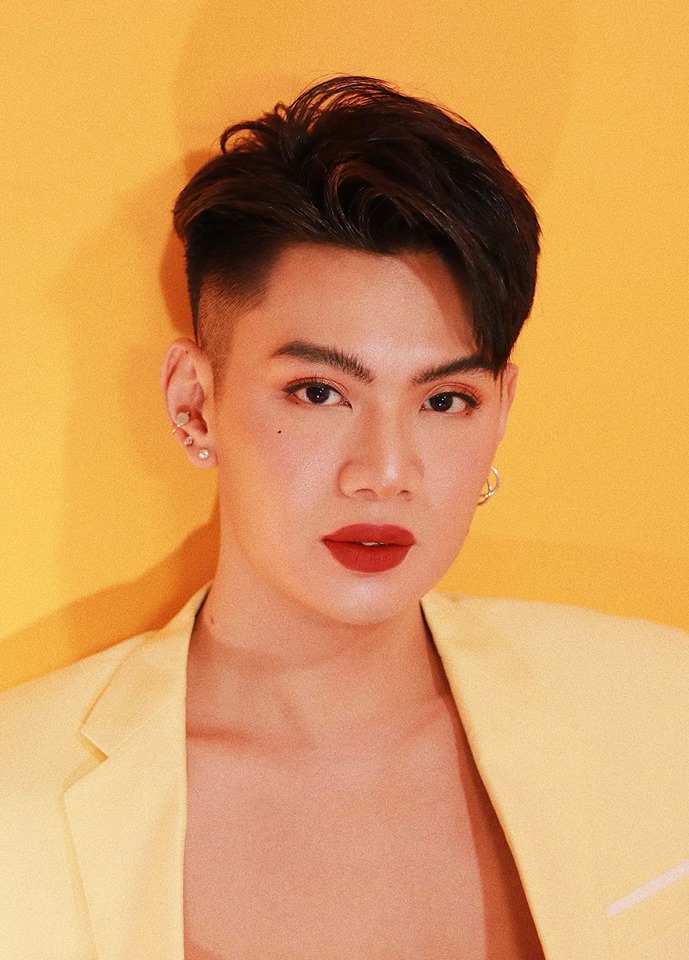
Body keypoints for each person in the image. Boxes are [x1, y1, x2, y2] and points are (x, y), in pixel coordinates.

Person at [1, 77, 687, 960]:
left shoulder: (662, 712)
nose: (385, 473)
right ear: (193, 405)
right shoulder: (19, 804)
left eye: (444, 400)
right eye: (318, 391)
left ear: (500, 413)